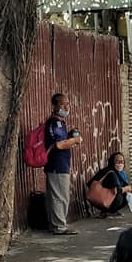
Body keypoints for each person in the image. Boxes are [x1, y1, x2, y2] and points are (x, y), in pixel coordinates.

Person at [45, 93, 82, 235]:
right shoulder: (56, 123)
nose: (66, 107)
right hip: (58, 165)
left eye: (67, 103)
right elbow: (59, 144)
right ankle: (60, 226)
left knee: (55, 196)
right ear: (54, 106)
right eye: (62, 104)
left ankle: (54, 225)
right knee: (61, 197)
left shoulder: (60, 123)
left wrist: (70, 136)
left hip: (58, 164)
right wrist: (75, 140)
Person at [88, 152, 132, 218]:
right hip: (99, 197)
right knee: (120, 195)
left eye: (122, 161)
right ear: (112, 162)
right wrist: (126, 188)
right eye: (117, 161)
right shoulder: (111, 173)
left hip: (106, 198)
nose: (120, 164)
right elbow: (117, 190)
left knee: (127, 195)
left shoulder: (121, 173)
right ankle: (107, 211)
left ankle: (112, 211)